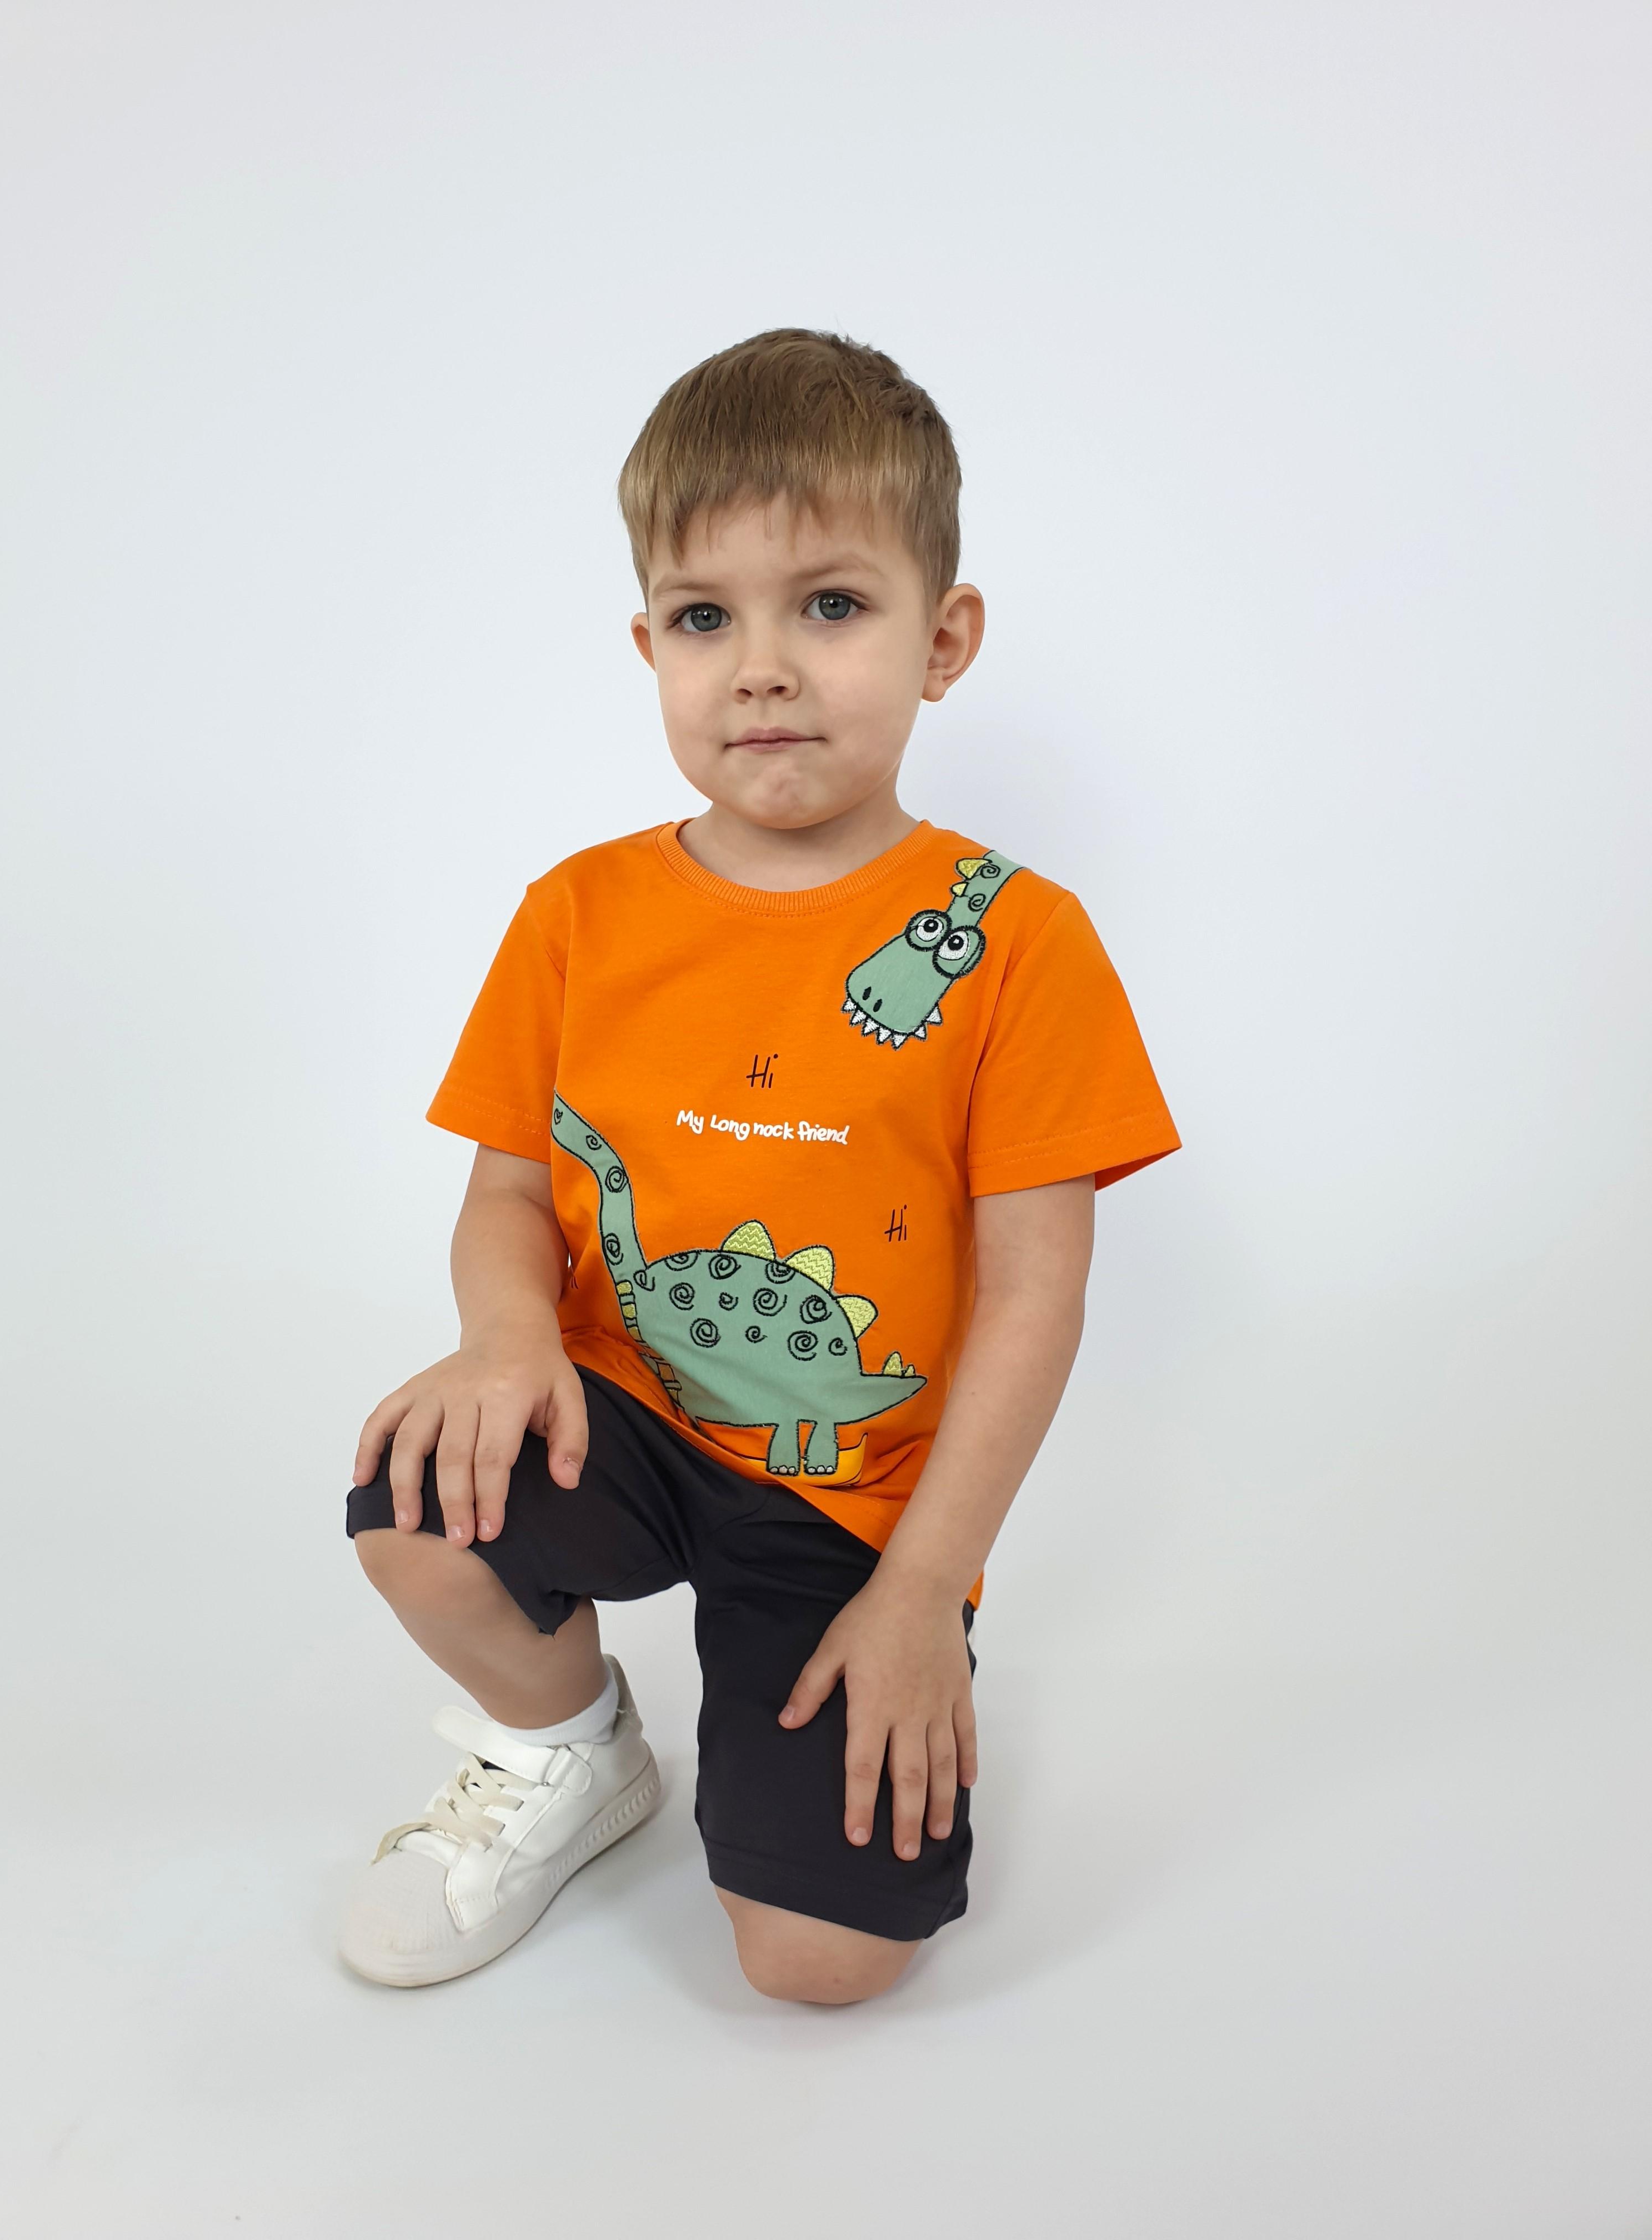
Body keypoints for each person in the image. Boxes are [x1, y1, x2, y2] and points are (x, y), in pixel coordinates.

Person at [339, 329, 1179, 2005]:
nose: (763, 669)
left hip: (853, 1493)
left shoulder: (1019, 941)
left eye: (832, 605)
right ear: (648, 643)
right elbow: (511, 1191)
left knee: (821, 1967)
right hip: (622, 1403)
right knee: (418, 1498)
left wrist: (923, 1590)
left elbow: (1037, 1293)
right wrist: (506, 1342)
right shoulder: (577, 912)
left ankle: (850, 1671)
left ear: (945, 641)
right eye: (706, 617)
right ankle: (573, 1748)